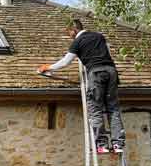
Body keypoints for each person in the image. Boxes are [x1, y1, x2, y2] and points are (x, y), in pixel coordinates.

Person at [38, 19, 125, 154]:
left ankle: (101, 144)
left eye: (69, 33)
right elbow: (108, 53)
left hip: (96, 73)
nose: (69, 36)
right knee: (112, 108)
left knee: (95, 107)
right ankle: (118, 144)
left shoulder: (77, 42)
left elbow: (65, 62)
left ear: (74, 30)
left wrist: (47, 67)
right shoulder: (99, 36)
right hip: (111, 72)